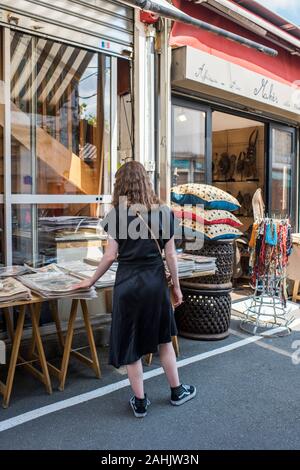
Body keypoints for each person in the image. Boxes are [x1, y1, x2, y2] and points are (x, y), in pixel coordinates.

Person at [74, 161, 196, 418]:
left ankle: (140, 402)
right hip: (155, 285)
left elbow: (109, 257)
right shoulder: (164, 212)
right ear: (146, 182)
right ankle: (177, 391)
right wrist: (176, 287)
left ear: (120, 185)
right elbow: (171, 256)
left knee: (131, 344)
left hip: (128, 284)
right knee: (164, 340)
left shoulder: (117, 215)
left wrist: (90, 281)